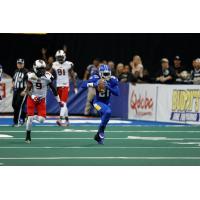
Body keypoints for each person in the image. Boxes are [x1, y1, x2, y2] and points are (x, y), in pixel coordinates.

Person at [22, 60, 62, 143]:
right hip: (32, 99)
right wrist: (33, 96)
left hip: (42, 100)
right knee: (29, 119)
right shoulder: (30, 76)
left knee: (42, 120)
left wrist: (59, 101)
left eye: (43, 68)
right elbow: (27, 90)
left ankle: (31, 117)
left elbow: (54, 89)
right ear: (35, 68)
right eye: (40, 69)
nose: (43, 71)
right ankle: (28, 135)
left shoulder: (48, 76)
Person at [82, 64, 119, 144]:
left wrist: (109, 87)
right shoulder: (95, 78)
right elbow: (83, 85)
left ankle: (98, 137)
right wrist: (95, 84)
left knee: (104, 120)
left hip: (106, 104)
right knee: (108, 112)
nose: (107, 75)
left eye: (108, 73)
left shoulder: (112, 80)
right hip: (97, 103)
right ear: (100, 73)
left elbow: (117, 93)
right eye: (105, 74)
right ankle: (101, 132)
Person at [51, 49, 78, 126]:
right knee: (62, 104)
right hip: (58, 86)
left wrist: (75, 86)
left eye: (61, 57)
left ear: (64, 57)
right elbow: (50, 74)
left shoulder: (68, 64)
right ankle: (67, 120)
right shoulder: (54, 64)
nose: (60, 58)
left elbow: (72, 75)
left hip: (66, 85)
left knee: (63, 103)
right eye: (58, 57)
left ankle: (60, 119)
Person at [11, 59, 28, 126]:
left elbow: (28, 83)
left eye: (21, 63)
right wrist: (12, 85)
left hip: (22, 90)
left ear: (23, 64)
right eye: (18, 63)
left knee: (19, 106)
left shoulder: (26, 71)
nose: (19, 65)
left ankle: (17, 122)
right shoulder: (16, 71)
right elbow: (13, 79)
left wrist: (25, 91)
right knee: (14, 105)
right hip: (16, 90)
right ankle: (23, 117)